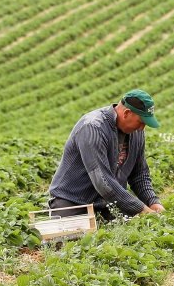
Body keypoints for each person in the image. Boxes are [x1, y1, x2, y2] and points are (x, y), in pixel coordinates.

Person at [48, 89, 165, 221]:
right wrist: (141, 209)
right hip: (73, 203)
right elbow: (103, 182)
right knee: (70, 239)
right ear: (127, 113)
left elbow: (139, 174)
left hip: (107, 204)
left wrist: (153, 202)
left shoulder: (136, 133)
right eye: (141, 122)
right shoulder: (93, 127)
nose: (142, 128)